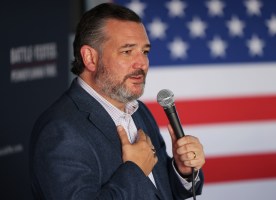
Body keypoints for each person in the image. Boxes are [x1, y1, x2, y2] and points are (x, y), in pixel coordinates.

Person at [29, 3, 205, 200]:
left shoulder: (139, 111)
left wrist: (181, 171)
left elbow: (158, 193)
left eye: (144, 51)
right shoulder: (59, 131)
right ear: (90, 58)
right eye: (127, 51)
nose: (142, 64)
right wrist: (135, 170)